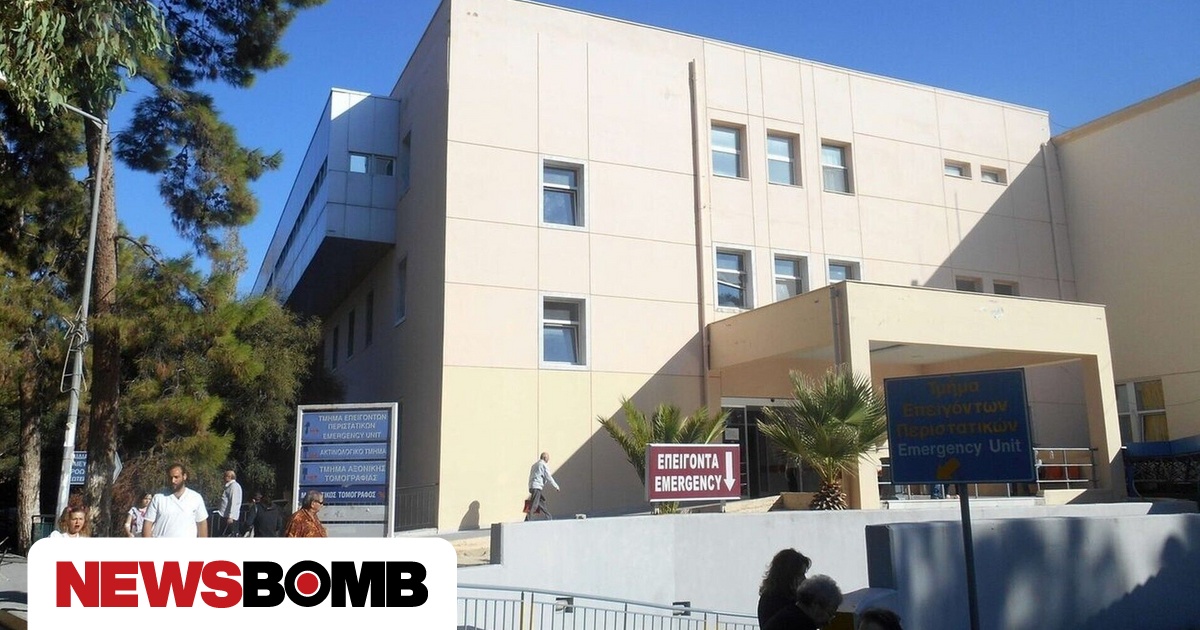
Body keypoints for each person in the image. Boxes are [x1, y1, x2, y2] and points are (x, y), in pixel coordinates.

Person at [143, 463, 209, 538]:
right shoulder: (158, 498)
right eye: (170, 477)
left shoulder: (195, 498)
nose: (173, 481)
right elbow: (148, 523)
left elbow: (201, 523)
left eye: (176, 477)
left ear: (184, 476)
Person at [764, 574, 843, 630]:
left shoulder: (786, 615)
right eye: (829, 614)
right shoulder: (803, 625)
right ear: (815, 605)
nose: (828, 622)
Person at [757, 548, 813, 626]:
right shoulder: (773, 601)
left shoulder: (771, 597)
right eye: (800, 575)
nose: (804, 579)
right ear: (789, 576)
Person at [525, 452, 560, 521]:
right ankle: (528, 519)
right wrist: (556, 486)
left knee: (541, 502)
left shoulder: (534, 465)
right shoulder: (543, 464)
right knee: (534, 504)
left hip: (532, 486)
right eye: (548, 458)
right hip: (537, 486)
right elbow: (548, 476)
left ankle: (548, 517)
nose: (548, 460)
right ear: (544, 458)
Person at [216, 469, 243, 537]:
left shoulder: (233, 486)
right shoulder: (229, 486)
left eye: (225, 476)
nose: (223, 478)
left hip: (230, 517)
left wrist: (231, 516)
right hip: (225, 515)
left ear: (230, 477)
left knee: (229, 535)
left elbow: (233, 501)